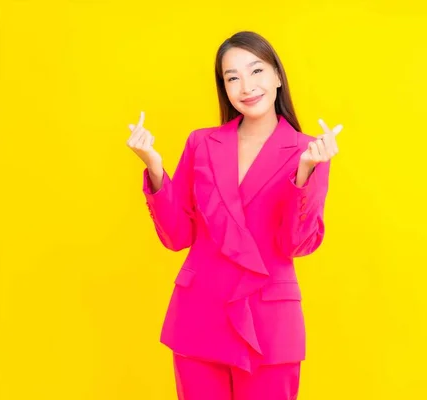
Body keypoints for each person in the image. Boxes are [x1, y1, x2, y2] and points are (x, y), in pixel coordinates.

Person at [126, 31, 342, 400]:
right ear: (224, 87)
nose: (246, 86)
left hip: (268, 324)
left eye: (256, 71)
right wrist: (156, 169)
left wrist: (304, 173)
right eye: (232, 77)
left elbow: (296, 244)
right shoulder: (202, 143)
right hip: (199, 315)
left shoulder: (310, 151)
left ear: (277, 76)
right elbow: (177, 236)